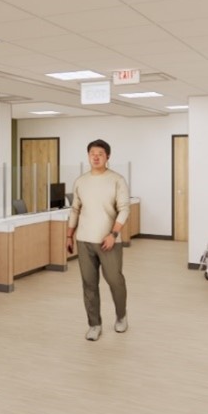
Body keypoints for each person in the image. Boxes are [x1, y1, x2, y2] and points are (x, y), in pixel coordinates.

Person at [66, 139, 131, 341]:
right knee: (89, 284)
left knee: (115, 281)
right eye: (92, 153)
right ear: (88, 156)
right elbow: (75, 209)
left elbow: (124, 209)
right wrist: (69, 235)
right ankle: (94, 324)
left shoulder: (117, 180)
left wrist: (113, 234)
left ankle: (121, 316)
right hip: (84, 240)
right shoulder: (80, 181)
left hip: (108, 241)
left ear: (108, 157)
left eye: (100, 154)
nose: (95, 157)